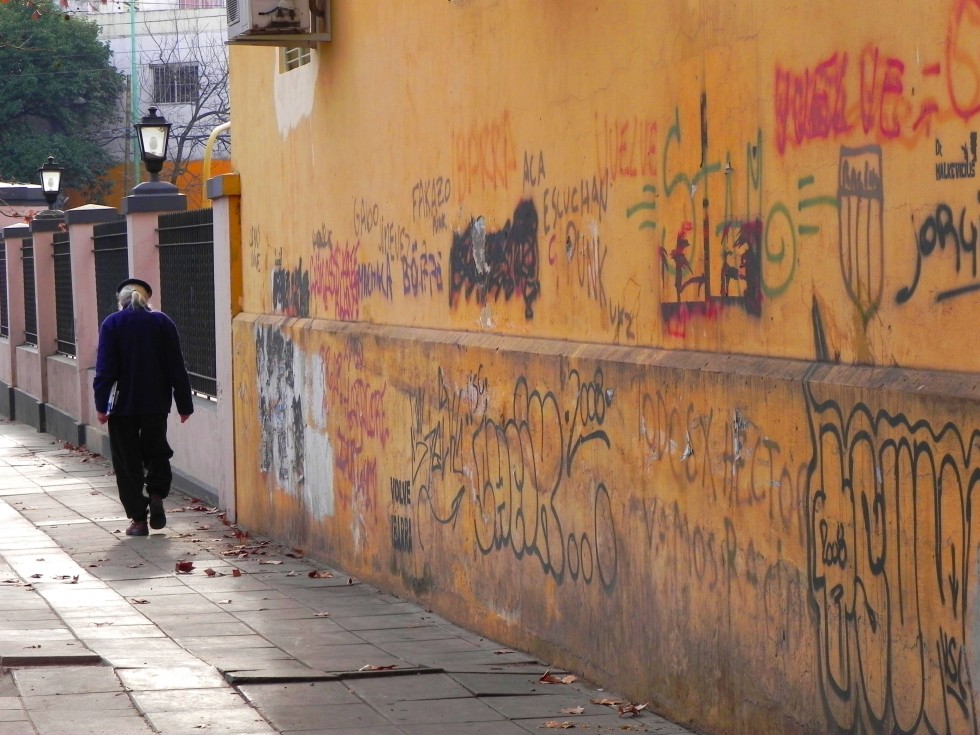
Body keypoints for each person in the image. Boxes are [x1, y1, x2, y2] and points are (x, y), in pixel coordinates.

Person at [93, 278, 194, 536]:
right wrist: (184, 404)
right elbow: (176, 366)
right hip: (155, 403)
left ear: (121, 301)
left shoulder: (112, 324)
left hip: (122, 406)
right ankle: (157, 493)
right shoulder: (162, 322)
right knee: (157, 451)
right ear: (146, 299)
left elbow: (105, 369)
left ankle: (138, 519)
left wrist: (102, 405)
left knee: (127, 461)